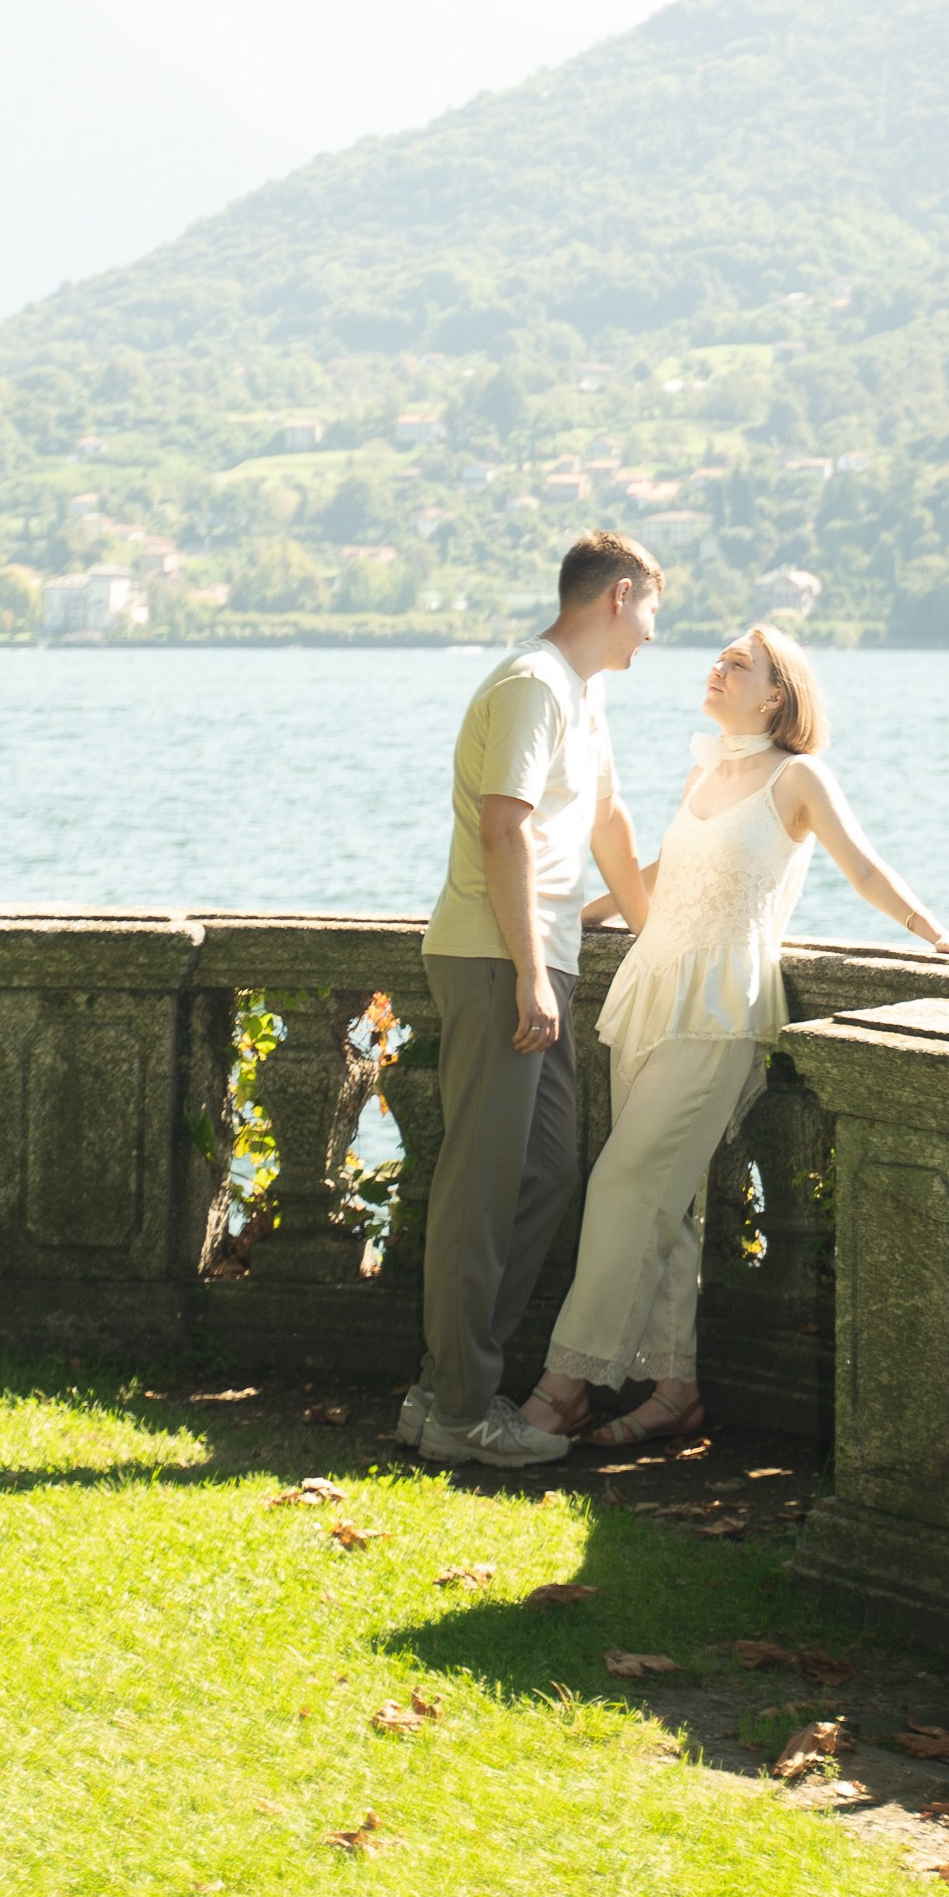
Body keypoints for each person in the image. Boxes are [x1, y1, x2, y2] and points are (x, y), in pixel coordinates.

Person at [520, 619, 949, 1454]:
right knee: (668, 1207)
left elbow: (862, 866)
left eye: (736, 663)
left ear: (777, 693)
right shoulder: (706, 766)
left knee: (623, 1182)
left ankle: (561, 1390)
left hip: (721, 1004)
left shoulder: (799, 777)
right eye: (719, 658)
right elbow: (663, 878)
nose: (716, 668)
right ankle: (675, 1391)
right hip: (651, 989)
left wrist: (937, 934)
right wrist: (561, 914)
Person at [401, 529, 660, 1472]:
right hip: (494, 960)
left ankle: (445, 1388)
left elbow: (611, 826)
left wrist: (658, 937)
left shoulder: (582, 696)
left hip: (537, 961)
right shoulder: (532, 685)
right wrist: (527, 974)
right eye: (651, 616)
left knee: (544, 1172)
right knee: (479, 1189)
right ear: (619, 596)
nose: (651, 639)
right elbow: (501, 831)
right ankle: (462, 1411)